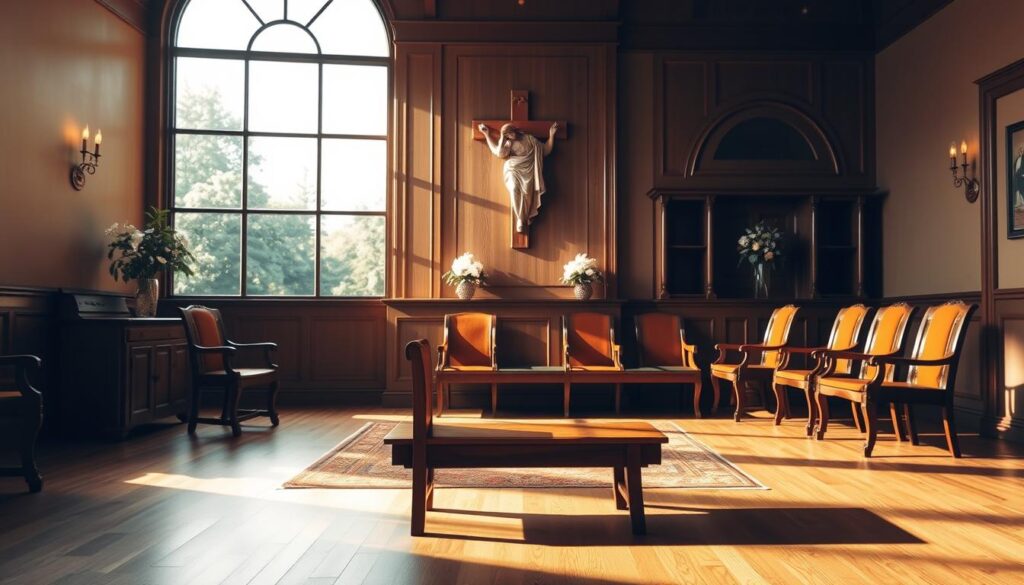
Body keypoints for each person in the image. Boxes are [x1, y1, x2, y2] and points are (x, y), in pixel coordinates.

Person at [478, 121, 559, 233]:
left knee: (527, 195)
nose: (510, 136)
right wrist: (488, 135)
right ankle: (520, 219)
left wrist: (551, 135)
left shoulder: (530, 139)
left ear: (514, 130)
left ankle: (524, 217)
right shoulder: (508, 143)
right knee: (514, 188)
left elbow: (545, 150)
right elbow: (499, 153)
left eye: (510, 133)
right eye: (507, 135)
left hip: (528, 172)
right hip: (513, 170)